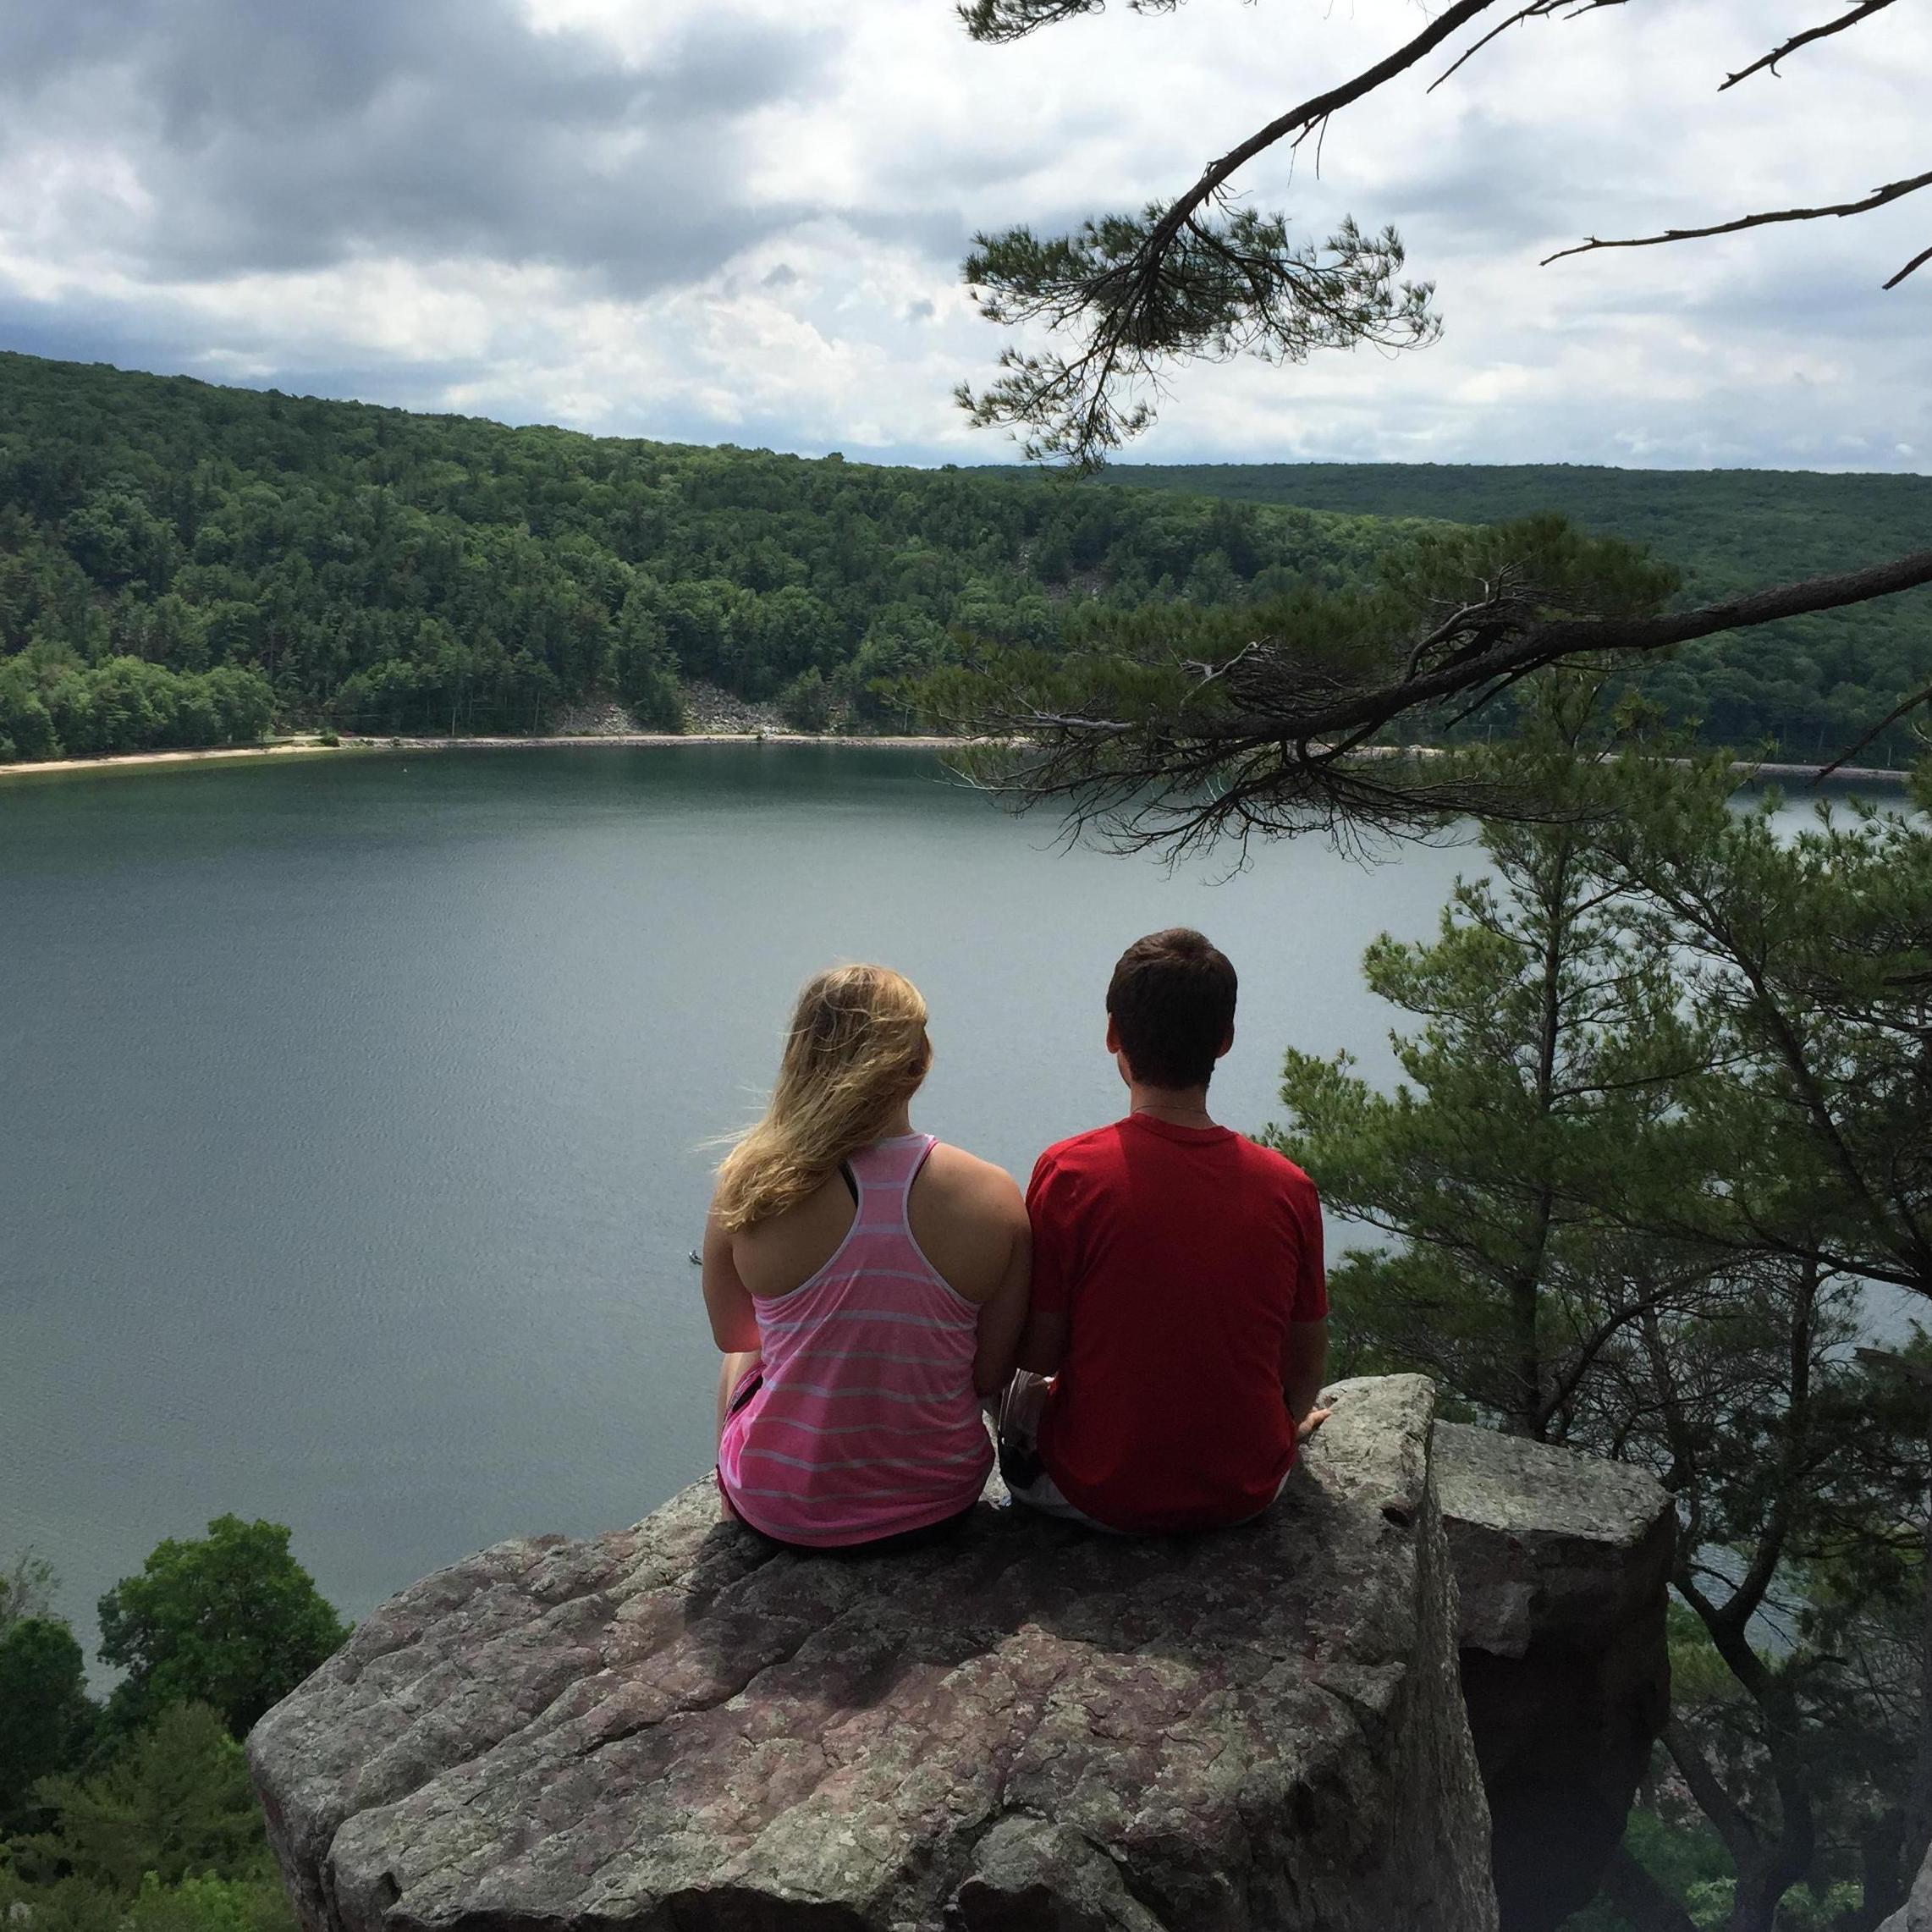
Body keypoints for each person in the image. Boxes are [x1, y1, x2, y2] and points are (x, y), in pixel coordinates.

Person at [1001, 927, 1329, 1535]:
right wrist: (1281, 1429)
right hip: (1247, 1491)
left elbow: (1038, 1353)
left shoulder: (1071, 1171)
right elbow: (1305, 1365)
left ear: (1112, 1036)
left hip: (1094, 1495)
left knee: (1013, 1388)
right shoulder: (1289, 1186)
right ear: (1224, 1040)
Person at [702, 963, 1030, 1553]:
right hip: (938, 1497)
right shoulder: (993, 1194)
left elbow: (733, 1332)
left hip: (782, 1510)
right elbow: (987, 1375)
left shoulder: (749, 1185)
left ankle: (732, 1510)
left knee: (755, 1341)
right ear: (917, 1062)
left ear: (802, 1058)